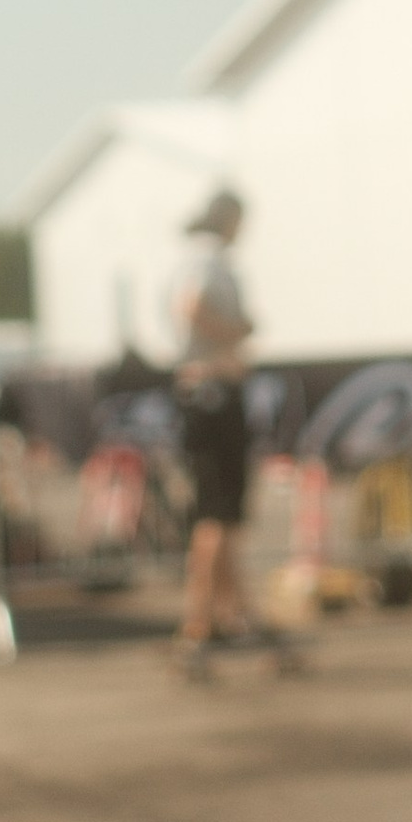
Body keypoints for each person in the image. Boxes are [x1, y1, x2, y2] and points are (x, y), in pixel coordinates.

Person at [166, 188, 281, 680]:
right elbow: (190, 309)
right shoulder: (208, 260)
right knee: (216, 515)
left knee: (226, 515)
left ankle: (237, 616)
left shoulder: (196, 257)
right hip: (212, 392)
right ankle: (197, 626)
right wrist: (234, 331)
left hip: (209, 393)